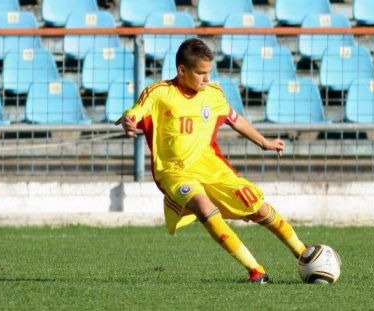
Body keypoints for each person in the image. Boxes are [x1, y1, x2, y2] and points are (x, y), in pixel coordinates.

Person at [116, 38, 307, 283]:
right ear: (182, 70)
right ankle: (255, 270)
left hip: (211, 167)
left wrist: (264, 142)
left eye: (209, 72)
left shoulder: (214, 94)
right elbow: (135, 112)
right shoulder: (159, 93)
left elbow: (235, 119)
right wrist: (128, 120)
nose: (207, 79)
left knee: (257, 207)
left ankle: (303, 252)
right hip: (175, 172)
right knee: (204, 206)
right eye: (201, 73)